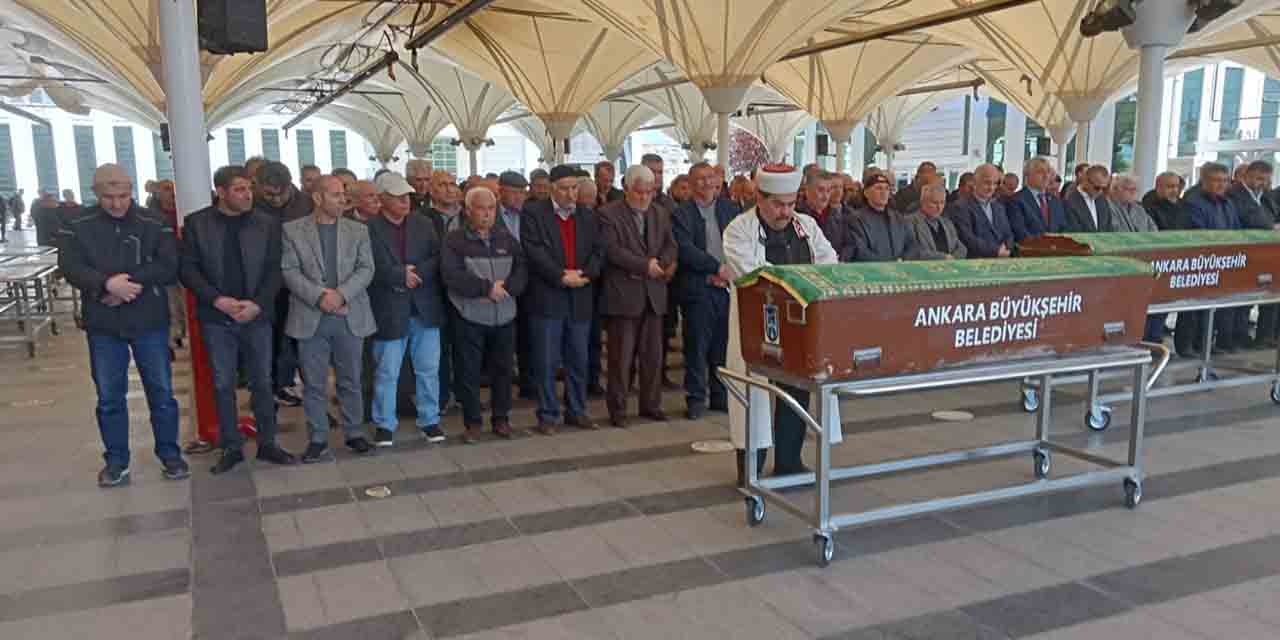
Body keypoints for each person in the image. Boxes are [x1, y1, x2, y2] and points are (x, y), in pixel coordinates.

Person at [58, 164, 187, 487]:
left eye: (123, 196)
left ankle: (170, 454)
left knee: (161, 392)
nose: (117, 204)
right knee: (109, 397)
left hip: (148, 321)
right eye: (108, 197)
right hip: (103, 324)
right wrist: (105, 285)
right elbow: (71, 266)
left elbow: (169, 263)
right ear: (95, 193)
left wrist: (126, 285)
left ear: (132, 192)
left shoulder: (153, 221)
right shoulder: (77, 225)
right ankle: (116, 461)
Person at [723, 164, 838, 481]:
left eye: (791, 203)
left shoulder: (807, 226)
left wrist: (799, 282)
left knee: (796, 393)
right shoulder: (738, 229)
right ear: (759, 197)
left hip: (798, 324)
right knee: (752, 397)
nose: (785, 211)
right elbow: (753, 274)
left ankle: (789, 461)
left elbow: (829, 262)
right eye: (777, 204)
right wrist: (801, 280)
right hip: (756, 323)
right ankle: (750, 471)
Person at [180, 165, 297, 474]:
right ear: (221, 192)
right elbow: (189, 270)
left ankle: (268, 443)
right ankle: (231, 446)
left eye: (249, 189)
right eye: (240, 190)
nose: (247, 195)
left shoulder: (266, 224)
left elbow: (276, 269)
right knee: (222, 382)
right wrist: (217, 300)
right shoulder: (197, 224)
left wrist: (258, 304)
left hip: (256, 315)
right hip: (217, 315)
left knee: (262, 380)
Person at [281, 176, 377, 461]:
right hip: (311, 317)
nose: (342, 200)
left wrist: (341, 295)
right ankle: (318, 438)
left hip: (349, 315)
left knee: (351, 380)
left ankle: (354, 433)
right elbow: (289, 271)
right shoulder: (292, 230)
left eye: (343, 194)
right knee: (313, 383)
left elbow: (366, 268)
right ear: (318, 198)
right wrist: (319, 297)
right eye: (335, 195)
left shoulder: (358, 230)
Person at [441, 186, 528, 442]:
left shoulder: (506, 238)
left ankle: (501, 419)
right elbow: (451, 275)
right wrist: (486, 288)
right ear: (468, 210)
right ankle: (473, 423)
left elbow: (522, 270)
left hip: (504, 315)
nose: (487, 214)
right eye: (481, 209)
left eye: (491, 209)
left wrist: (508, 288)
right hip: (469, 315)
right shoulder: (454, 240)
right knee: (468, 371)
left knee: (503, 370)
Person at [523, 165, 605, 433]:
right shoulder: (534, 213)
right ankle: (547, 415)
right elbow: (533, 251)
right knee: (546, 361)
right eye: (564, 188)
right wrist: (560, 275)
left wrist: (585, 274)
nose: (571, 194)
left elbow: (598, 251)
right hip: (548, 297)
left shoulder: (588, 215)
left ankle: (577, 410)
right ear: (551, 189)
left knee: (578, 358)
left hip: (580, 295)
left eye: (574, 188)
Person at [365, 174, 445, 447]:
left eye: (407, 196)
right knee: (387, 371)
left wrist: (416, 273)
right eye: (398, 197)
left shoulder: (423, 224)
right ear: (382, 198)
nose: (405, 201)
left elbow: (437, 257)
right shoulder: (368, 228)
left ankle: (429, 419)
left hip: (424, 305)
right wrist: (399, 275)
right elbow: (367, 266)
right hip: (388, 307)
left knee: (428, 368)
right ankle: (384, 424)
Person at [597, 165, 678, 427]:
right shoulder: (608, 214)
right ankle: (618, 410)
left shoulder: (661, 213)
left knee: (653, 356)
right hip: (624, 295)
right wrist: (646, 265)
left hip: (654, 294)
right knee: (621, 359)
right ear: (626, 188)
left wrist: (663, 264)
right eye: (639, 192)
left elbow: (670, 244)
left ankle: (650, 404)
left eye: (650, 192)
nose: (644, 197)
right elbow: (612, 250)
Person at [672, 162, 740, 420]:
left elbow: (738, 242)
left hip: (726, 288)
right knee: (696, 347)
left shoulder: (729, 209)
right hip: (698, 289)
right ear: (690, 184)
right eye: (699, 179)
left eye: (709, 177)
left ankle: (720, 396)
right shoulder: (682, 213)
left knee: (723, 346)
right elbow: (685, 248)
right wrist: (715, 268)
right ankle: (696, 399)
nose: (705, 182)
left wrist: (729, 271)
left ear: (717, 181)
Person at [1181, 162, 1243, 354]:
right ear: (1204, 181)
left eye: (1224, 181)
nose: (1221, 185)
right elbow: (1197, 230)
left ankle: (1205, 344)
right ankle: (1186, 345)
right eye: (1216, 181)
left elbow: (1236, 229)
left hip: (1222, 260)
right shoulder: (1193, 202)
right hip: (1199, 260)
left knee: (1213, 306)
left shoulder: (1228, 203)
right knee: (1192, 307)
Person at [1227, 160, 1280, 347]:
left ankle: (1258, 336)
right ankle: (1233, 338)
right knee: (1238, 299)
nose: (1262, 183)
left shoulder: (1264, 196)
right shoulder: (1234, 194)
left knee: (1260, 296)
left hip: (1264, 252)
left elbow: (1269, 215)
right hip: (1240, 252)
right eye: (1258, 179)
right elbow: (1251, 218)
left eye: (1265, 180)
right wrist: (1272, 227)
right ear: (1247, 176)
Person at [496, 171, 534, 399]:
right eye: (515, 192)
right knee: (504, 341)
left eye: (523, 192)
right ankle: (503, 385)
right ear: (501, 191)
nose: (520, 197)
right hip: (500, 284)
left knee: (529, 337)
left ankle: (528, 384)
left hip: (528, 284)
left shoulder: (530, 214)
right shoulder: (492, 215)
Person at [946, 164, 1014, 258]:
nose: (991, 188)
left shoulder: (999, 207)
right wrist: (996, 251)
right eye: (987, 183)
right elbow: (967, 239)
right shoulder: (960, 207)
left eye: (994, 183)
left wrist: (1007, 248)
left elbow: (1009, 234)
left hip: (1002, 259)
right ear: (974, 182)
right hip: (976, 262)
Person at [847, 173, 919, 261]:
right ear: (866, 193)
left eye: (887, 188)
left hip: (900, 269)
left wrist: (902, 260)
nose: (884, 192)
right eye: (879, 188)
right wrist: (888, 264)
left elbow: (912, 246)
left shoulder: (898, 218)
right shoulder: (856, 219)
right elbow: (860, 251)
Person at [1006, 157, 1067, 242]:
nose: (1046, 176)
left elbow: (1063, 229)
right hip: (1031, 252)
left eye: (1048, 172)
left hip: (1057, 251)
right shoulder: (1016, 201)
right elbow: (1020, 232)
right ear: (1027, 174)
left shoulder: (1055, 201)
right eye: (1040, 172)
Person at [907, 181, 967, 260]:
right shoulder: (909, 222)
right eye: (934, 203)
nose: (939, 207)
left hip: (951, 267)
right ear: (923, 202)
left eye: (942, 202)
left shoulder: (947, 222)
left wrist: (953, 258)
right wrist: (942, 257)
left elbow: (961, 248)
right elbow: (912, 252)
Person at [798, 170, 851, 260]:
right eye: (821, 190)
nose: (825, 196)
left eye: (828, 190)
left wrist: (841, 259)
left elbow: (848, 244)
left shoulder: (839, 216)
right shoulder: (798, 217)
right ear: (807, 191)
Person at [1064, 165, 1114, 232]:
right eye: (1097, 188)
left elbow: (1109, 229)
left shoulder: (1102, 201)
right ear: (1086, 181)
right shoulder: (1069, 202)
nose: (1100, 192)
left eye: (1105, 188)